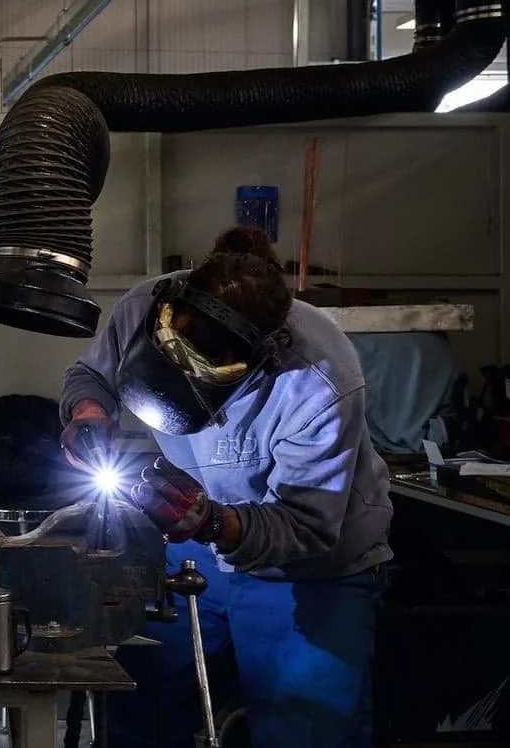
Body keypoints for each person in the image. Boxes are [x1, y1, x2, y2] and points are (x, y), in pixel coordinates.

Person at [60, 226, 393, 748]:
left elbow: (304, 524)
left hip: (309, 573)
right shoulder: (143, 307)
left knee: (305, 729)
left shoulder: (318, 381)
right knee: (138, 707)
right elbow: (92, 376)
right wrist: (89, 411)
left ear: (259, 358)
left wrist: (215, 521)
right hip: (191, 552)